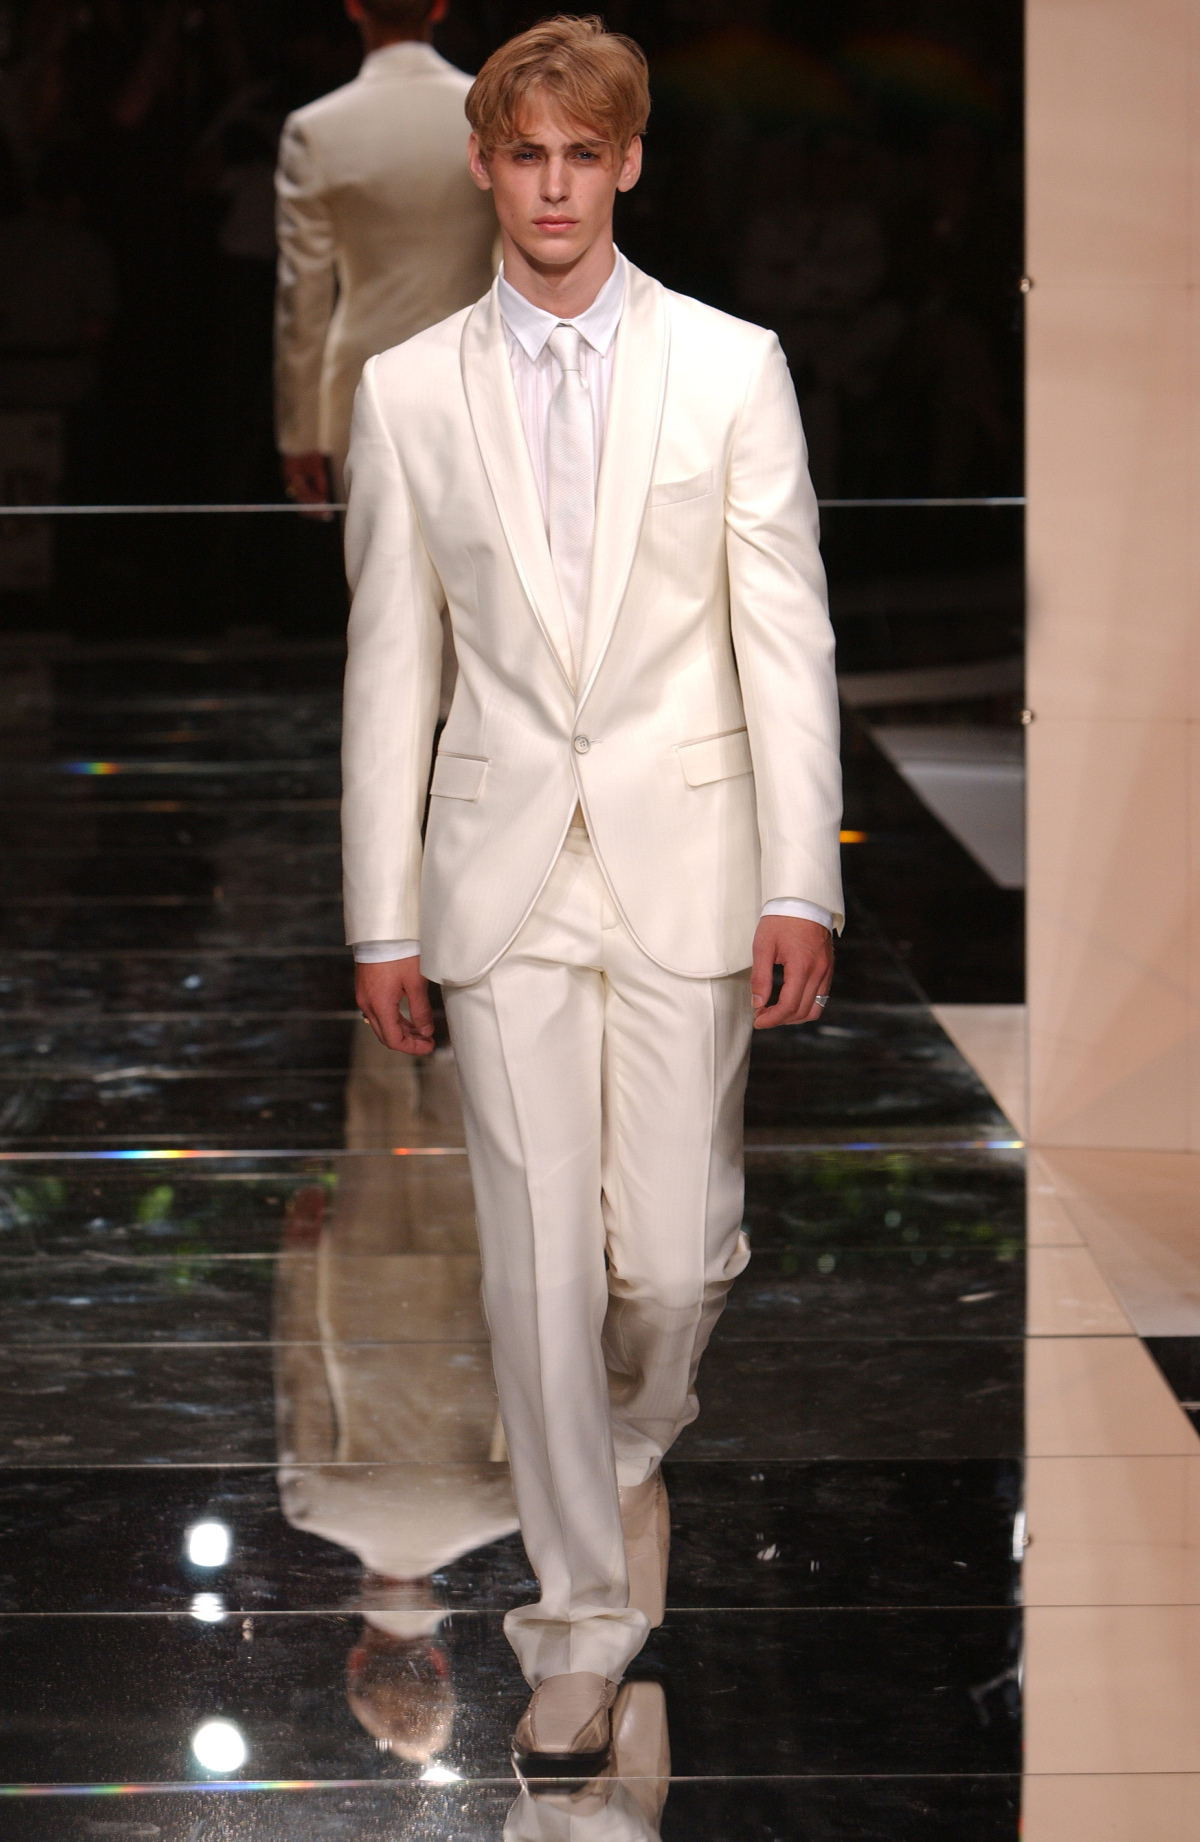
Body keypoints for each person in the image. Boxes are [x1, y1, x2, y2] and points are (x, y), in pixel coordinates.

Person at [342, 15, 843, 1777]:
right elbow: (389, 668)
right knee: (539, 1267)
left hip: (689, 864)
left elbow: (785, 638)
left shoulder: (731, 367)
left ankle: (632, 1443)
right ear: (487, 166)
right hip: (498, 882)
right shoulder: (406, 390)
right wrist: (382, 916)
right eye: (525, 154)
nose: (554, 186)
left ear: (626, 162)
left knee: (671, 1262)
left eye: (583, 154)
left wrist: (804, 879)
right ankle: (570, 1631)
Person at [273, 0, 496, 504]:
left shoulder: (316, 129)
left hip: (363, 376)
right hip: (481, 367)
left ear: (354, 7)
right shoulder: (487, 114)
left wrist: (300, 433)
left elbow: (304, 295)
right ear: (439, 7)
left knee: (378, 550)